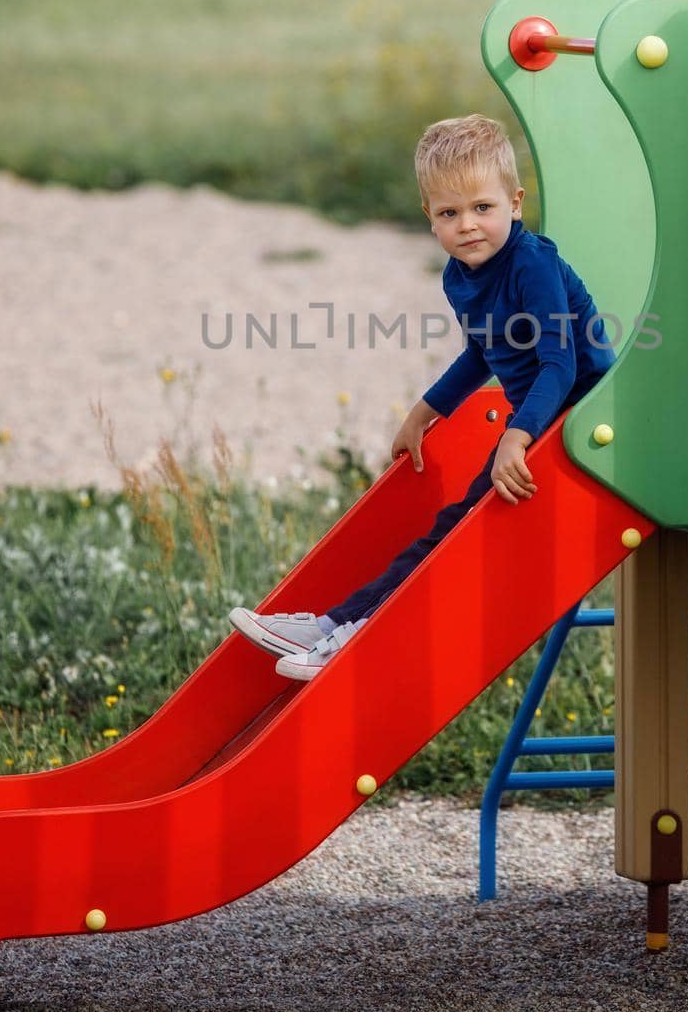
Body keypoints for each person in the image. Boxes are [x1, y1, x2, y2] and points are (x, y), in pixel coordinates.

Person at [228, 113, 615, 681]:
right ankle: (335, 625)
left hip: (581, 420)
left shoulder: (531, 264)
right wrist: (424, 413)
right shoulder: (460, 277)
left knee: (456, 537)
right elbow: (483, 354)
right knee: (447, 531)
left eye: (483, 207)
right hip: (540, 421)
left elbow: (560, 362)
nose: (468, 226)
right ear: (429, 220)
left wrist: (517, 435)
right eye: (449, 213)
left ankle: (351, 635)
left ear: (515, 202)